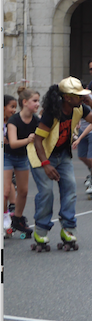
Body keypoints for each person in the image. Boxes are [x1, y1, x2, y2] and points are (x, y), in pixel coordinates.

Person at [29, 77, 92, 251]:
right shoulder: (51, 113)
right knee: (47, 192)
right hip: (42, 156)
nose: (81, 98)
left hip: (62, 156)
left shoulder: (80, 108)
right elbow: (38, 141)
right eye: (78, 95)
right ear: (67, 98)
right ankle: (40, 230)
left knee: (70, 188)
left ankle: (68, 230)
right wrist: (46, 164)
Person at [5, 90, 38, 238]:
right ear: (25, 103)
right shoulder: (14, 120)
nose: (38, 104)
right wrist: (28, 140)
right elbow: (12, 143)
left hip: (23, 157)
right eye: (35, 101)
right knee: (5, 191)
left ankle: (17, 219)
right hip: (7, 156)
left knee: (23, 191)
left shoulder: (36, 120)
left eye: (38, 101)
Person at [3, 95, 19, 233]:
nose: (14, 110)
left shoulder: (13, 122)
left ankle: (11, 210)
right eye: (11, 107)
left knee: (8, 186)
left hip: (9, 158)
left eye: (15, 107)